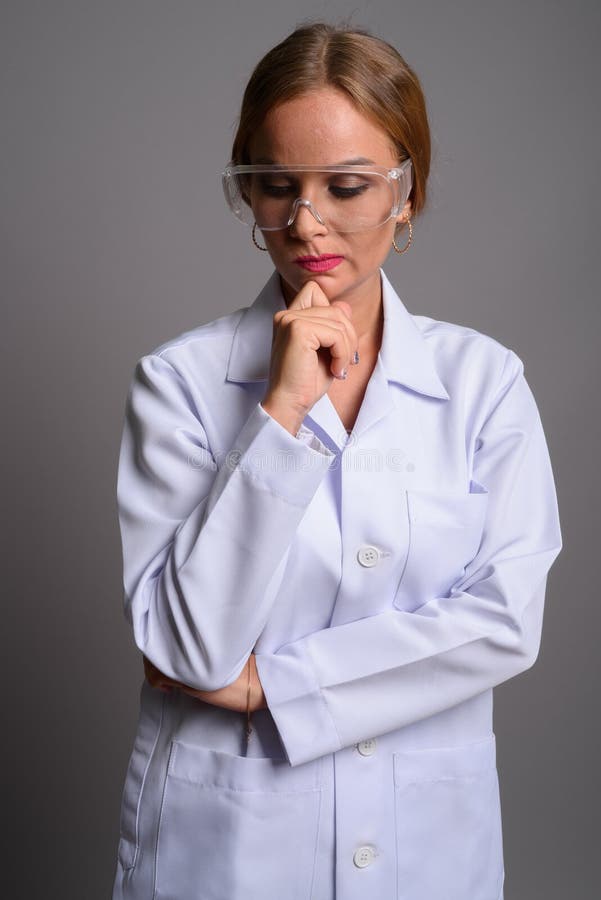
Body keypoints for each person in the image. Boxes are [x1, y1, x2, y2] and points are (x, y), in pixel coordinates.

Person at [111, 21, 562, 900]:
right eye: (276, 186)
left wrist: (274, 689)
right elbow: (191, 651)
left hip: (427, 840)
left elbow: (506, 619)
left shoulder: (483, 383)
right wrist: (280, 415)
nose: (305, 222)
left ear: (407, 193)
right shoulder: (179, 384)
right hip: (230, 847)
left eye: (347, 187)